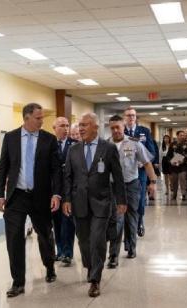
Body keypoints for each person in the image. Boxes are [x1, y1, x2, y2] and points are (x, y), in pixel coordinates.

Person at [0, 103, 61, 297]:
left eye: (42, 117)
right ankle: (18, 282)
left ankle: (49, 266)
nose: (42, 121)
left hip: (40, 195)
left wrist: (56, 194)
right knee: (14, 238)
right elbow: (3, 166)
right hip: (16, 196)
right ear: (26, 118)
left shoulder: (49, 140)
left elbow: (56, 169)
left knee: (45, 233)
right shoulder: (11, 138)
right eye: (38, 118)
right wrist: (0, 194)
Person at [62, 112, 126, 298]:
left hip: (102, 201)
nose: (80, 128)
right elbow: (68, 177)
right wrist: (66, 199)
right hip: (79, 202)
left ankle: (95, 280)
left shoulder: (108, 148)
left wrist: (121, 200)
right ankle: (90, 267)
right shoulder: (73, 150)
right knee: (83, 240)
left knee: (97, 239)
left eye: (85, 125)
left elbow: (118, 175)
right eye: (79, 125)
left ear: (95, 127)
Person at [106, 115, 156, 268]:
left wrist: (152, 182)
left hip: (131, 184)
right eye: (112, 128)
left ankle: (131, 247)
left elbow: (147, 163)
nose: (115, 130)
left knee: (131, 217)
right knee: (116, 219)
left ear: (123, 127)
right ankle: (113, 255)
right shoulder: (106, 145)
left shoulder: (134, 143)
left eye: (118, 127)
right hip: (114, 187)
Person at [123, 107, 156, 237]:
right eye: (128, 115)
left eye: (133, 115)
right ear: (124, 117)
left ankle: (139, 221)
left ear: (136, 117)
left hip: (140, 172)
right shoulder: (121, 132)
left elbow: (151, 152)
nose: (131, 117)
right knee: (126, 199)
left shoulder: (144, 132)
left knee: (140, 198)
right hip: (125, 172)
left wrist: (142, 162)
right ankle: (128, 225)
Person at [52, 116, 77, 265]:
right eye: (62, 126)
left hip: (69, 189)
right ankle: (60, 250)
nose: (66, 128)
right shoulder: (49, 144)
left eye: (67, 125)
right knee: (57, 222)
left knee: (68, 223)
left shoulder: (74, 145)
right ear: (54, 128)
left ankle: (68, 253)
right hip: (54, 190)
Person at [166, 131, 187, 200]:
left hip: (183, 166)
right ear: (177, 136)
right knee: (174, 181)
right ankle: (174, 194)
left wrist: (184, 160)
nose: (182, 136)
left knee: (183, 179)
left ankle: (183, 194)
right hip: (174, 166)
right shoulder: (172, 144)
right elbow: (168, 155)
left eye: (183, 135)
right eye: (181, 135)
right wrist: (170, 161)